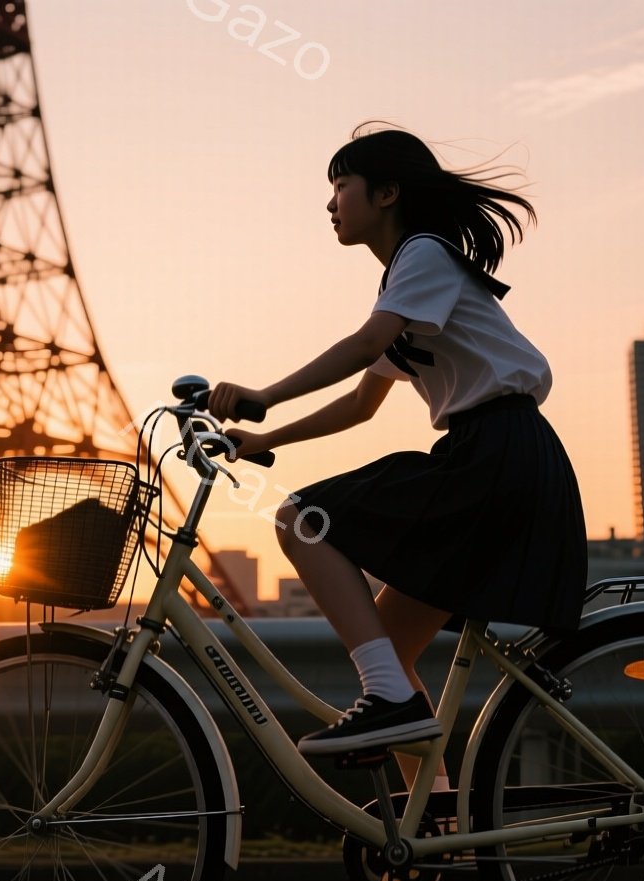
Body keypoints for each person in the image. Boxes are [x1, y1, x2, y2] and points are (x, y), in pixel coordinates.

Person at [209, 123, 589, 773]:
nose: (330, 204)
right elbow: (362, 403)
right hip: (504, 456)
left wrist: (265, 395)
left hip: (494, 451)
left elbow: (364, 344)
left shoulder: (424, 257)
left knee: (300, 518)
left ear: (386, 193)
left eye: (340, 186)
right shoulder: (411, 284)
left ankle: (387, 699)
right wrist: (266, 439)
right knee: (390, 649)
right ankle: (435, 831)